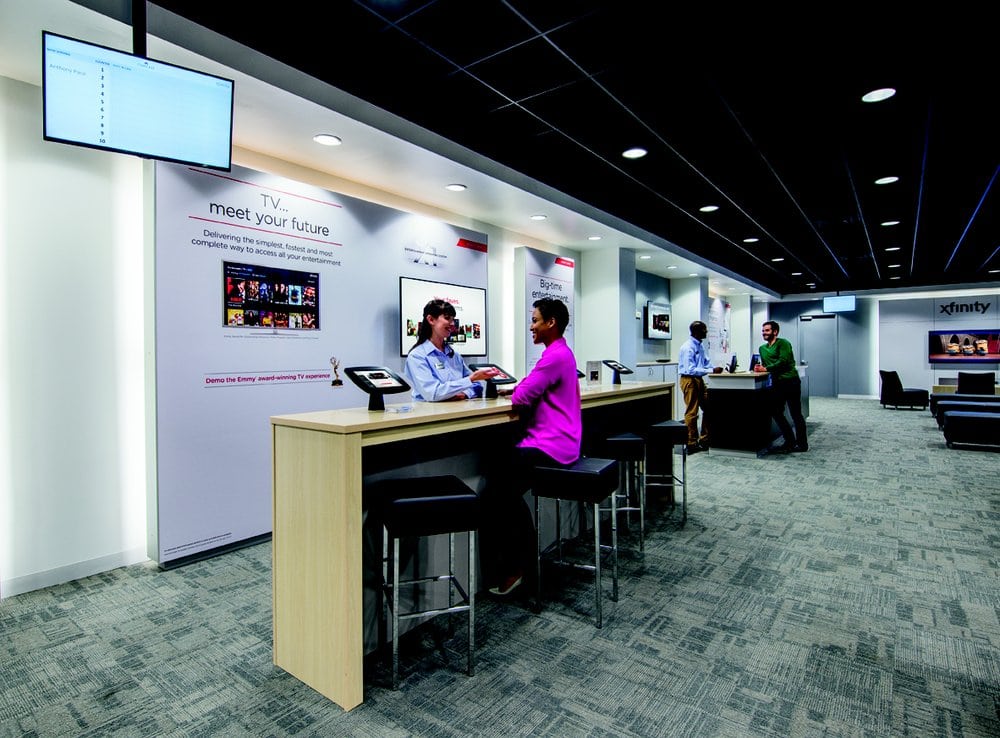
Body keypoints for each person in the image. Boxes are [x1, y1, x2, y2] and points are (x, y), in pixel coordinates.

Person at [481, 297, 581, 596]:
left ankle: (520, 567)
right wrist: (524, 384)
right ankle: (521, 565)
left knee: (498, 490)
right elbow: (531, 386)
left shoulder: (553, 357)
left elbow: (522, 396)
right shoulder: (561, 353)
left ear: (551, 323)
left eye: (535, 320)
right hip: (561, 443)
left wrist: (521, 386)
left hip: (551, 446)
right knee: (501, 486)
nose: (531, 326)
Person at [403, 299, 498, 401]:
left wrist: (465, 394)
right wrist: (470, 379)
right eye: (447, 318)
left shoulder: (454, 356)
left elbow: (477, 386)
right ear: (431, 320)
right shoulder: (417, 356)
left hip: (458, 409)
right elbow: (433, 393)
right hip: (429, 411)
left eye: (453, 319)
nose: (452, 324)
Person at [753, 320, 808, 453]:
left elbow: (783, 361)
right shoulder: (762, 348)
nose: (764, 333)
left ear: (775, 332)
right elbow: (767, 366)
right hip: (777, 383)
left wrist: (766, 368)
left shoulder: (783, 343)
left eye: (767, 330)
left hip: (791, 382)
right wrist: (760, 368)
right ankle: (790, 441)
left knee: (795, 413)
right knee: (775, 412)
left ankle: (802, 444)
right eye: (763, 331)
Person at [677, 320, 723, 454]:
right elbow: (690, 369)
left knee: (708, 408)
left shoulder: (700, 345)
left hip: (699, 379)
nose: (706, 332)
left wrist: (714, 369)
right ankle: (691, 442)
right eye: (704, 330)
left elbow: (706, 363)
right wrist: (711, 370)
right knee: (692, 411)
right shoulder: (688, 347)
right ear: (697, 332)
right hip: (689, 379)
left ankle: (704, 439)